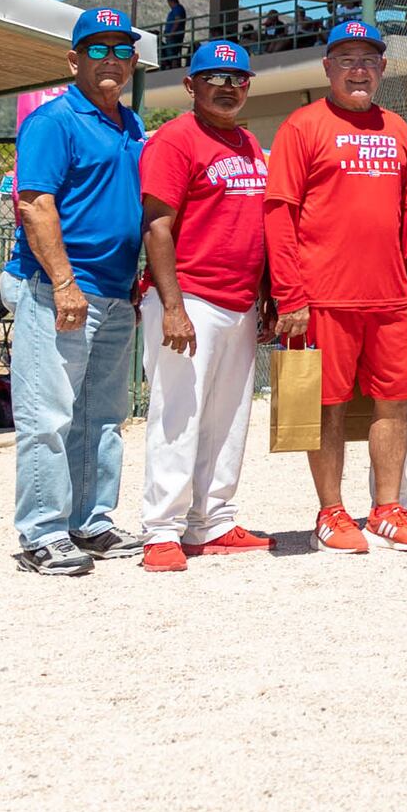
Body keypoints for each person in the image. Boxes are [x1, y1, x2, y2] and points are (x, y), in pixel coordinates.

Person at [265, 19, 407, 555]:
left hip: (389, 298)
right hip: (324, 297)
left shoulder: (398, 130)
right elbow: (279, 214)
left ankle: (387, 508)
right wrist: (290, 294)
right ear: (328, 68)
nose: (358, 69)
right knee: (327, 404)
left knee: (395, 403)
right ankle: (331, 511)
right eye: (346, 60)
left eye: (368, 60)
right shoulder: (302, 125)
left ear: (383, 69)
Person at [6, 9, 151, 575]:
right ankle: (41, 532)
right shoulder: (55, 121)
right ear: (74, 60)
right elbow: (34, 203)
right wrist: (65, 283)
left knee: (103, 415)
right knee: (47, 417)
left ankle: (90, 522)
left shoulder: (132, 124)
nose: (110, 58)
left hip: (115, 293)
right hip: (59, 289)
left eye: (120, 49)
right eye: (96, 49)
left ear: (133, 61)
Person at [135, 40, 272, 572]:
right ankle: (161, 530)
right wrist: (171, 305)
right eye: (214, 76)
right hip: (189, 295)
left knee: (229, 414)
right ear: (191, 85)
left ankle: (211, 520)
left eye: (238, 77)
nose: (228, 85)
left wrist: (264, 293)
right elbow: (157, 225)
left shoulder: (247, 144)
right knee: (178, 413)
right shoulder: (175, 140)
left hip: (238, 301)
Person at [161, 0, 188, 67]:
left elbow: (177, 20)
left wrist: (171, 33)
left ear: (172, 2)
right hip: (173, 35)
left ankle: (174, 67)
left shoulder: (177, 9)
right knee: (172, 52)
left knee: (173, 53)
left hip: (174, 36)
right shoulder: (176, 9)